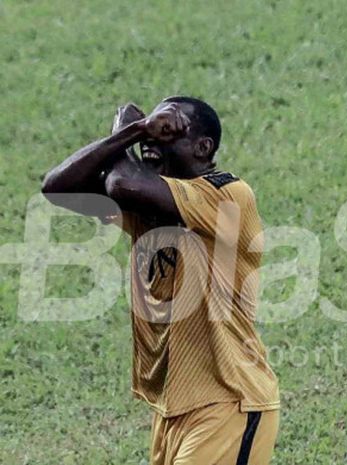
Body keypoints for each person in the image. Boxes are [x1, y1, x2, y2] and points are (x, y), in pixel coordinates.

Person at [42, 96, 280, 465]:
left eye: (169, 129)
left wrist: (128, 129)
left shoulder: (227, 194)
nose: (153, 138)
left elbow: (123, 183)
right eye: (153, 128)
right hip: (172, 410)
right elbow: (57, 188)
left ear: (203, 148)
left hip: (229, 402)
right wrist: (135, 133)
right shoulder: (149, 209)